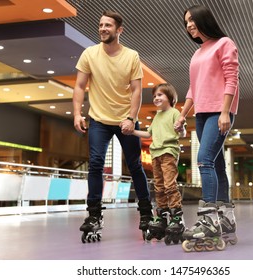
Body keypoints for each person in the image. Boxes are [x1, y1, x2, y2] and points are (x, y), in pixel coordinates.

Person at [73, 10, 153, 243]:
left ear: (119, 30)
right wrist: (77, 113)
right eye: (100, 25)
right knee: (96, 164)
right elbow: (79, 86)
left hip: (125, 119)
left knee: (136, 164)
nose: (103, 28)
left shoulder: (131, 56)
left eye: (108, 25)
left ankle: (146, 212)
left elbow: (137, 89)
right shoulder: (89, 54)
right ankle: (94, 215)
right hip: (98, 119)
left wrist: (131, 118)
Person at [174, 5, 239, 251]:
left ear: (204, 20)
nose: (189, 25)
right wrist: (182, 114)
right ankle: (226, 218)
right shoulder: (198, 52)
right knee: (217, 163)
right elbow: (193, 88)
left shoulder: (224, 43)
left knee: (204, 161)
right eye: (186, 22)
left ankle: (209, 219)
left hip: (218, 112)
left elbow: (231, 78)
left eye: (192, 20)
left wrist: (225, 111)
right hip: (201, 113)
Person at [132, 83, 186, 245]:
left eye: (160, 95)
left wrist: (181, 127)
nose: (156, 98)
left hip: (168, 151)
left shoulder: (174, 112)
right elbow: (149, 133)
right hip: (155, 153)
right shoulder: (157, 116)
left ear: (170, 97)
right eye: (155, 96)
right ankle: (161, 216)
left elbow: (181, 132)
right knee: (159, 186)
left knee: (170, 185)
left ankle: (176, 216)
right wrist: (132, 131)